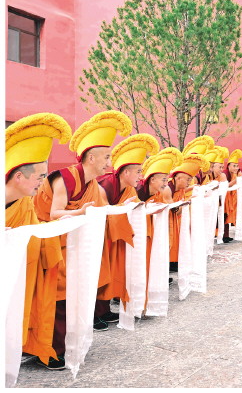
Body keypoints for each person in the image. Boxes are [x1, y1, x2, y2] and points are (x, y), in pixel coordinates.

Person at [33, 110, 132, 364]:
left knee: (72, 293)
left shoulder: (92, 185)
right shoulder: (64, 178)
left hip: (71, 245)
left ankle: (66, 343)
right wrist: (79, 212)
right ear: (91, 157)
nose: (110, 163)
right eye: (106, 157)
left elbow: (102, 209)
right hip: (47, 242)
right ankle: (50, 349)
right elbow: (55, 213)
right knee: (57, 296)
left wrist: (126, 207)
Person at [6, 113, 71, 370]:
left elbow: (34, 234)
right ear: (19, 177)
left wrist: (61, 227)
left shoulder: (25, 203)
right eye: (40, 177)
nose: (43, 183)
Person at [96, 133, 159, 304]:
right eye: (138, 172)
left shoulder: (130, 189)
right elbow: (103, 214)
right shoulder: (105, 186)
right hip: (100, 236)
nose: (141, 176)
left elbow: (137, 207)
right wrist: (122, 209)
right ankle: (99, 309)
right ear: (125, 172)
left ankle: (110, 302)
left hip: (115, 236)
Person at [136, 147, 183, 304]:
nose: (166, 183)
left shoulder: (158, 191)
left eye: (166, 179)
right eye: (163, 180)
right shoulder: (138, 191)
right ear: (152, 180)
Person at [167, 152, 210, 270]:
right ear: (178, 178)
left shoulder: (180, 188)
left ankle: (174, 261)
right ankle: (170, 263)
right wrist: (188, 202)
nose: (188, 183)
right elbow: (173, 211)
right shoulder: (168, 188)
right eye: (188, 180)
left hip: (176, 220)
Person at [223, 149, 242, 243]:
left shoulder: (233, 174)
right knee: (223, 216)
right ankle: (223, 235)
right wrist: (237, 180)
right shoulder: (225, 174)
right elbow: (225, 186)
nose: (236, 168)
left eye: (237, 166)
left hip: (229, 199)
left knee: (226, 217)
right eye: (234, 166)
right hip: (223, 198)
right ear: (228, 166)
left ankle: (226, 235)